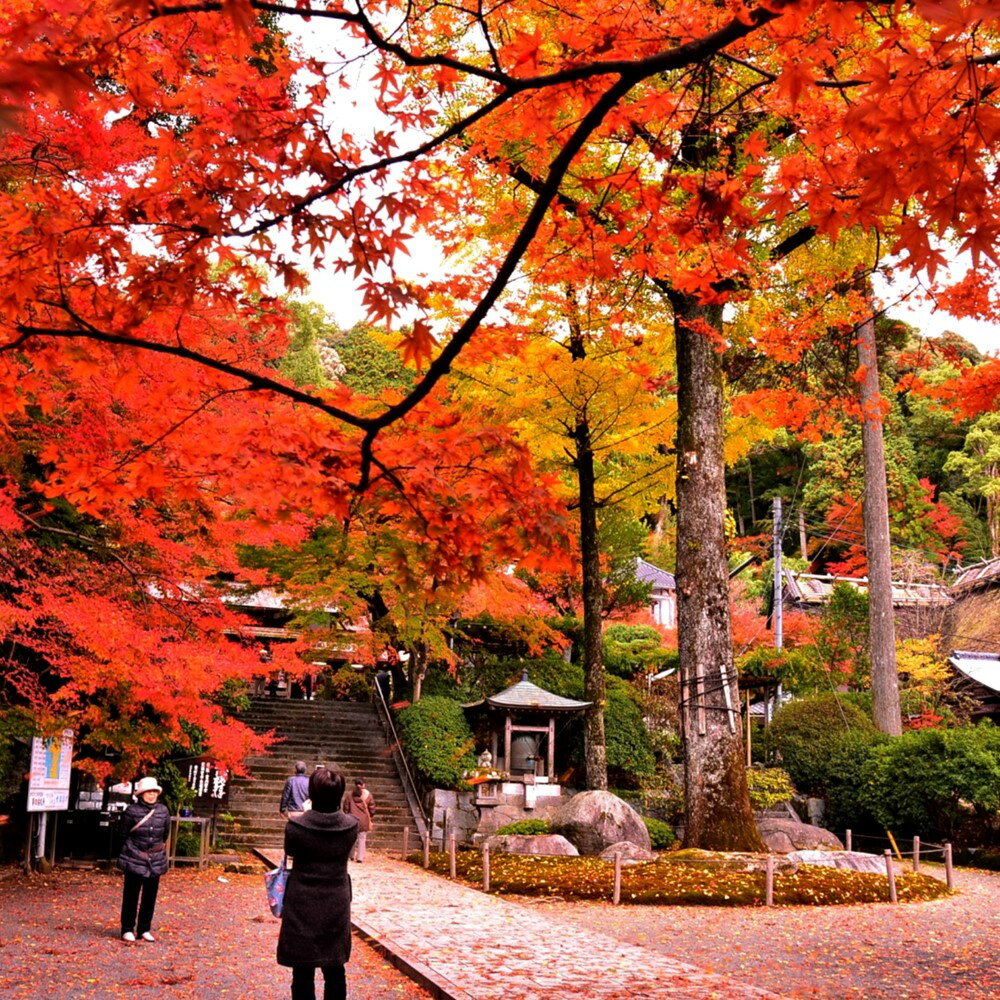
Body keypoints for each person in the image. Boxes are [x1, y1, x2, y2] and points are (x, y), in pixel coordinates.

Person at [278, 766, 358, 1000]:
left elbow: (290, 851)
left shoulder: (296, 827)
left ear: (311, 793)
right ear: (339, 794)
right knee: (335, 969)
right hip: (336, 901)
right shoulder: (350, 826)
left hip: (302, 901)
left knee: (302, 969)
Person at [117, 775, 170, 943]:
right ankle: (127, 929)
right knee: (131, 895)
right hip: (134, 857)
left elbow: (165, 834)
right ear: (141, 794)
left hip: (155, 859)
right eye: (148, 792)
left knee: (150, 896)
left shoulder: (163, 810)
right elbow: (122, 834)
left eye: (154, 791)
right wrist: (134, 851)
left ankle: (144, 928)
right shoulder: (131, 811)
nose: (152, 795)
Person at [341, 778, 375, 862]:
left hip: (352, 819)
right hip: (363, 820)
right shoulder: (368, 795)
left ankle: (351, 855)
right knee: (362, 839)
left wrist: (347, 815)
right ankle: (360, 857)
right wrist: (370, 815)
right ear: (364, 784)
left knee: (352, 837)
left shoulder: (350, 795)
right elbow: (372, 808)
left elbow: (346, 808)